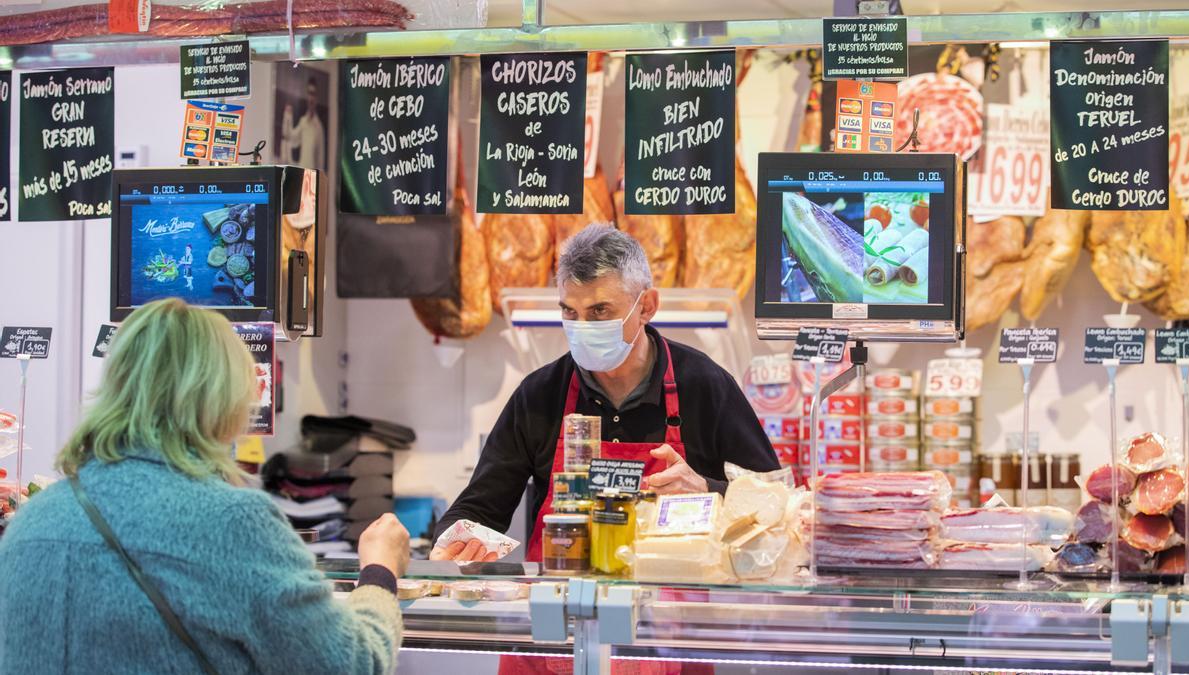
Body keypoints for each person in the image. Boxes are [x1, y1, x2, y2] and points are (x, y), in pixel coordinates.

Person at [0, 298, 408, 674]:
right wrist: (380, 571)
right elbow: (353, 664)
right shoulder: (233, 522)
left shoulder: (32, 521)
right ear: (221, 398)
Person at [432, 223, 780, 556]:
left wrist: (708, 490)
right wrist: (453, 542)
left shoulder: (705, 385)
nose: (582, 327)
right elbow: (479, 507)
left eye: (600, 311)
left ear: (646, 306)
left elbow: (775, 501)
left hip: (669, 604)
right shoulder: (540, 394)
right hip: (562, 597)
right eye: (570, 311)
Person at [281, 76, 326, 171]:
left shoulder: (319, 128)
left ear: (317, 98)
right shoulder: (303, 121)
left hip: (312, 177)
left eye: (313, 94)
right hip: (301, 174)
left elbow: (320, 162)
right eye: (309, 93)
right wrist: (288, 117)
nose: (311, 98)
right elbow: (291, 139)